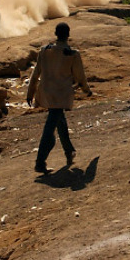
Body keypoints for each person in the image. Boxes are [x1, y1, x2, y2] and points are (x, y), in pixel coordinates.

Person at [27, 22, 93, 173]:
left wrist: (30, 93)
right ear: (68, 35)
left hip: (47, 93)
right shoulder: (72, 54)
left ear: (56, 34)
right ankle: (40, 161)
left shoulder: (45, 51)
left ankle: (69, 151)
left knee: (59, 121)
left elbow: (36, 73)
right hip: (61, 94)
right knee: (49, 130)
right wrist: (86, 90)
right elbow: (80, 77)